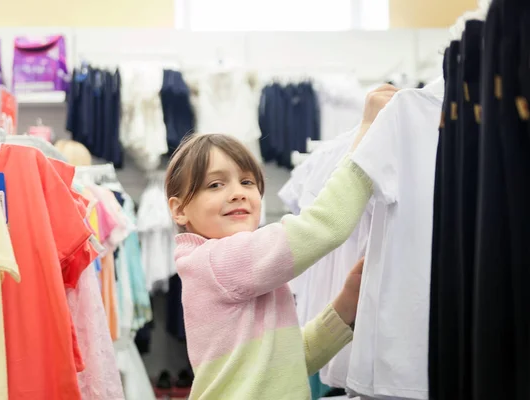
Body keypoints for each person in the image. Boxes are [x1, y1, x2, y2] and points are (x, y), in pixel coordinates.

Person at [165, 84, 398, 399]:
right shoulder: (220, 262)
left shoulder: (228, 270)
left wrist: (345, 305)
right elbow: (321, 226)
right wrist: (368, 134)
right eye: (216, 184)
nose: (238, 192)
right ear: (179, 210)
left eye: (247, 181)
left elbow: (287, 363)